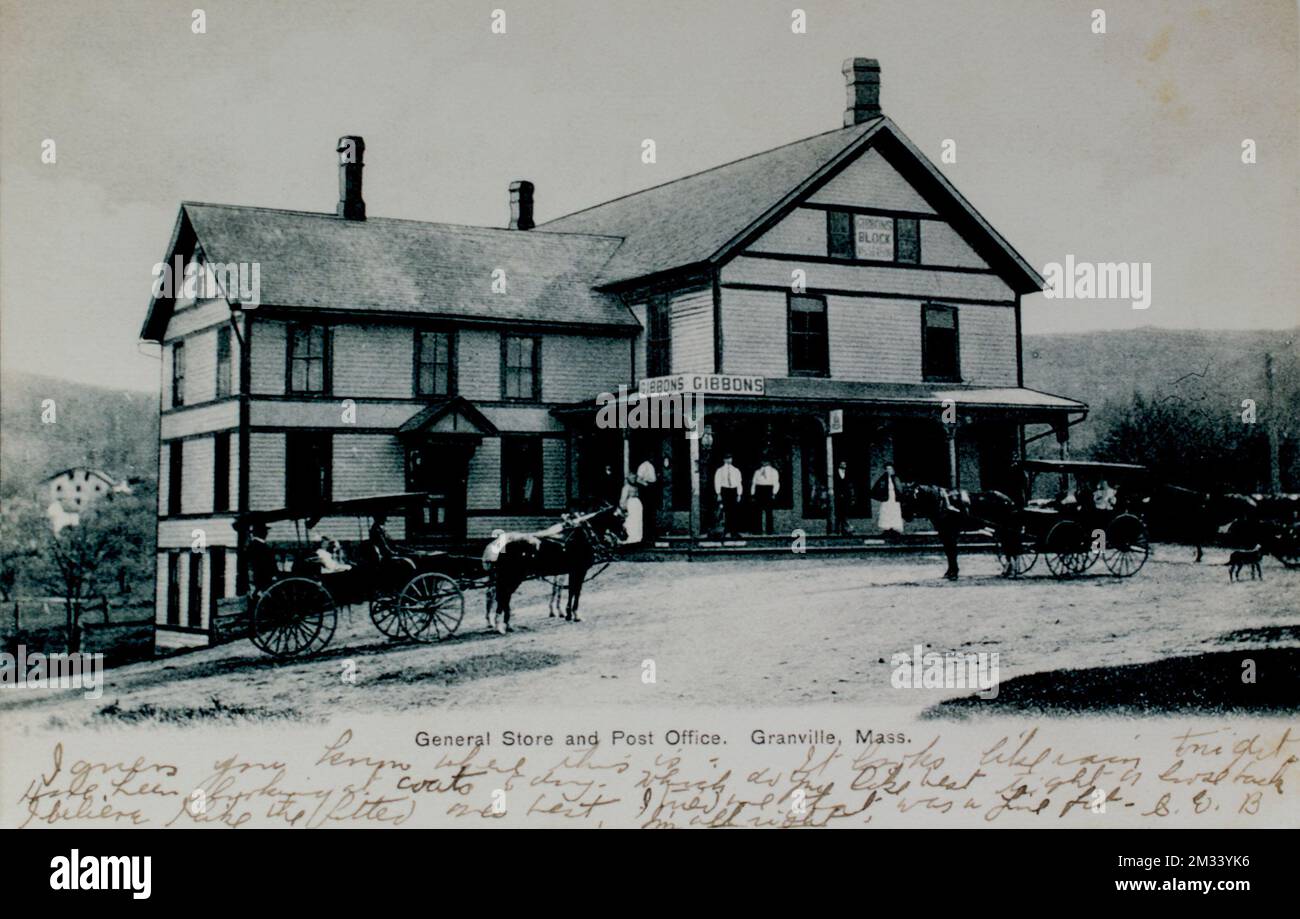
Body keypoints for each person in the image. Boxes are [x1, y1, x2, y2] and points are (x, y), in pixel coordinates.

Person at [714, 453, 743, 538]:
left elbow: (739, 483)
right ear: (724, 460)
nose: (729, 460)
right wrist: (718, 493)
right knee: (725, 511)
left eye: (730, 458)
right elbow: (717, 482)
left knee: (734, 511)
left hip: (733, 491)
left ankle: (734, 531)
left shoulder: (736, 470)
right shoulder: (720, 470)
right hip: (725, 490)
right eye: (727, 458)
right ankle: (726, 531)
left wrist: (739, 494)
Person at [750, 457, 780, 535]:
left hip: (768, 490)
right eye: (763, 461)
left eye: (766, 461)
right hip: (759, 490)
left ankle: (769, 530)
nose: (764, 463)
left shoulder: (774, 471)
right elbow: (754, 483)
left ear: (769, 462)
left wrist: (774, 493)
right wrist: (753, 494)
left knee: (768, 511)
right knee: (758, 511)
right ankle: (758, 530)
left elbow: (776, 483)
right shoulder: (757, 472)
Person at [874, 463, 905, 537]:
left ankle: (895, 529)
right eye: (887, 469)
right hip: (886, 499)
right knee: (886, 513)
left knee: (894, 513)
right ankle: (887, 529)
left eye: (890, 469)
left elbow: (900, 488)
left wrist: (900, 496)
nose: (889, 470)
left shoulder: (896, 478)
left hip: (894, 498)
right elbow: (876, 488)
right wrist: (881, 496)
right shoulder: (883, 479)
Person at [246, 521, 278, 591]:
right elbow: (266, 564)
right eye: (265, 531)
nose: (267, 533)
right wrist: (273, 575)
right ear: (261, 532)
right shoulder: (261, 547)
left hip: (258, 579)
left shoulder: (252, 546)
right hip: (264, 580)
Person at [636, 455, 658, 542]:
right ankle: (647, 536)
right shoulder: (643, 466)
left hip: (651, 488)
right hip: (646, 490)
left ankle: (651, 534)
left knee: (651, 512)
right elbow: (638, 479)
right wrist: (647, 485)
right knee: (647, 512)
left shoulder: (651, 465)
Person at [833, 460, 856, 535]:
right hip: (837, 497)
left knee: (845, 513)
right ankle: (837, 530)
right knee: (838, 514)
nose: (844, 465)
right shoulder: (834, 473)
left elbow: (850, 485)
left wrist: (851, 496)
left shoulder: (848, 474)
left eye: (845, 464)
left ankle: (845, 530)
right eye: (842, 464)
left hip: (846, 497)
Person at [619, 474, 643, 544]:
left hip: (637, 505)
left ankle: (637, 538)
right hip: (631, 504)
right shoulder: (626, 487)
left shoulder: (636, 486)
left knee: (637, 521)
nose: (633, 480)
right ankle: (631, 538)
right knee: (631, 521)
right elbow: (623, 499)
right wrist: (624, 509)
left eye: (634, 478)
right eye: (631, 478)